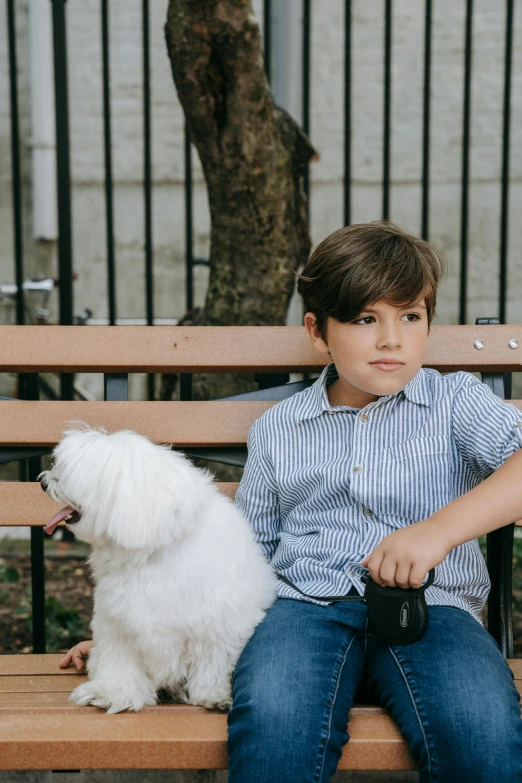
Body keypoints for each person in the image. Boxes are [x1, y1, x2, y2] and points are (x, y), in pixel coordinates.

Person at [62, 221, 522, 781]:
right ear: (317, 329)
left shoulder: (454, 402)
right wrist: (129, 638)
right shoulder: (281, 429)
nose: (392, 339)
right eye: (364, 319)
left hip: (435, 607)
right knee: (274, 723)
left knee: (480, 727)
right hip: (304, 607)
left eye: (410, 316)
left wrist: (438, 532)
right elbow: (237, 556)